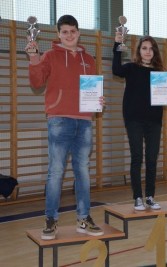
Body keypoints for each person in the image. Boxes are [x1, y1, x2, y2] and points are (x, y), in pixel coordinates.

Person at [25, 15, 104, 240]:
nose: (69, 35)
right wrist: (33, 58)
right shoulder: (50, 56)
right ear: (59, 34)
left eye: (73, 31)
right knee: (56, 172)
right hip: (59, 119)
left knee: (83, 172)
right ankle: (51, 220)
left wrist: (99, 101)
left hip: (85, 120)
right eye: (65, 32)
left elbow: (92, 89)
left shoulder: (89, 58)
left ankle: (83, 218)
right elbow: (36, 83)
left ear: (79, 33)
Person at [112, 33, 167, 211]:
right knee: (137, 157)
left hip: (154, 120)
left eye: (151, 49)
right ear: (139, 50)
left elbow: (163, 98)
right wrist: (117, 45)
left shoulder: (160, 74)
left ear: (155, 52)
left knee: (152, 159)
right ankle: (137, 197)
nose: (148, 52)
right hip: (134, 119)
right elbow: (116, 70)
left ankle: (150, 197)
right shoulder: (131, 68)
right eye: (144, 48)